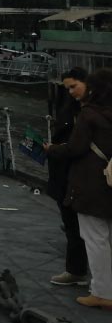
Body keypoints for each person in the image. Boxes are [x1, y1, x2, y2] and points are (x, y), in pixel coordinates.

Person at [46, 68, 112, 310]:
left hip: (89, 185)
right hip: (109, 181)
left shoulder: (89, 115)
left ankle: (102, 292)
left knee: (95, 238)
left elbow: (75, 148)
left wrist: (51, 149)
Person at [46, 68, 91, 287]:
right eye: (67, 88)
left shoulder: (93, 112)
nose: (71, 92)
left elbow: (76, 147)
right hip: (64, 176)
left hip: (82, 176)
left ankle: (79, 272)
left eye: (74, 86)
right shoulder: (71, 109)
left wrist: (54, 149)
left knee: (86, 228)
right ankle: (77, 270)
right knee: (73, 226)